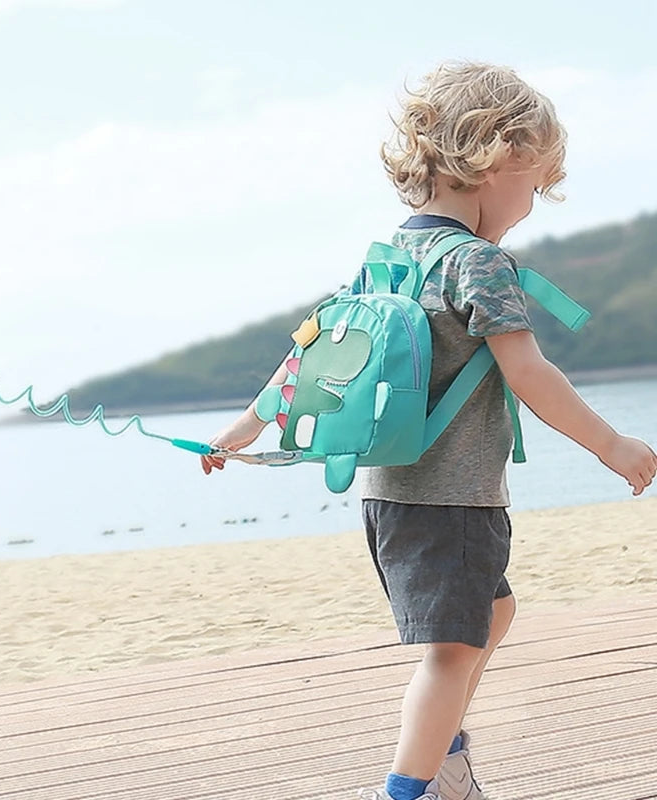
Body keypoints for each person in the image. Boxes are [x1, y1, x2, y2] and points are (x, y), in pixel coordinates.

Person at [200, 61, 657, 800]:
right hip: (455, 502)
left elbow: (312, 354)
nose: (531, 204)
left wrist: (245, 428)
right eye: (533, 184)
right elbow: (530, 373)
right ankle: (415, 786)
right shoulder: (477, 263)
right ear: (497, 158)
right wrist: (612, 444)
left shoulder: (385, 260)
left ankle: (441, 761)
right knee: (451, 652)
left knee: (493, 611)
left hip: (390, 498)